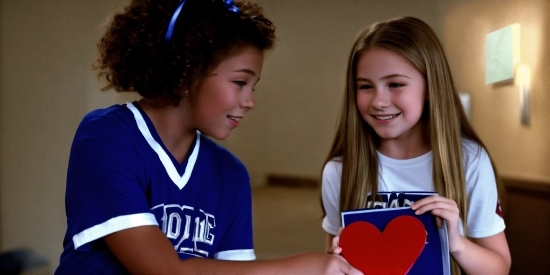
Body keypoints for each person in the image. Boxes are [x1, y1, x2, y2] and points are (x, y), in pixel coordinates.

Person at [55, 0, 362, 274]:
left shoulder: (231, 174)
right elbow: (164, 270)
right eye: (240, 82)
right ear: (187, 73)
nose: (250, 101)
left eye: (252, 87)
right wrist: (304, 268)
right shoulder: (106, 137)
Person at [321, 16, 511, 274]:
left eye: (395, 84)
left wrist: (457, 244)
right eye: (366, 86)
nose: (378, 101)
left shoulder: (470, 159)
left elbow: (499, 268)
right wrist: (335, 262)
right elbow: (332, 260)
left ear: (431, 87)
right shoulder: (339, 171)